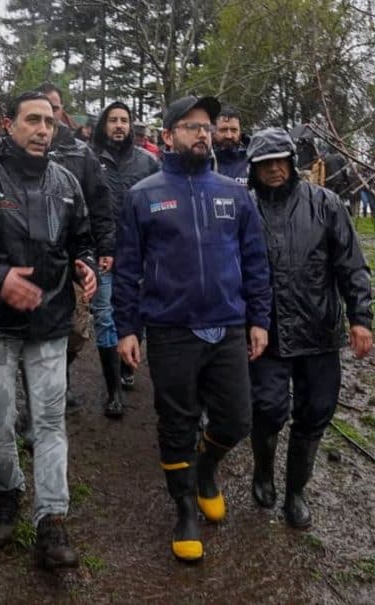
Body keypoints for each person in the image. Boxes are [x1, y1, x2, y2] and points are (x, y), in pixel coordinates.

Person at [0, 91, 98, 569]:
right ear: (8, 124)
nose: (43, 130)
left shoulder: (66, 182)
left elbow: (82, 239)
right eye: (32, 120)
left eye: (48, 121)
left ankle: (52, 520)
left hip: (49, 321)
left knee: (49, 424)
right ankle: (8, 491)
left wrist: (85, 265)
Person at [113, 95, 271, 562]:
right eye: (190, 127)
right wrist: (127, 328)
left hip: (226, 324)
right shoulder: (143, 196)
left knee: (237, 419)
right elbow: (126, 269)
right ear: (168, 137)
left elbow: (255, 262)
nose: (202, 133)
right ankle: (184, 507)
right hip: (170, 328)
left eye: (207, 126)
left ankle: (206, 469)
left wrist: (258, 319)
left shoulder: (234, 194)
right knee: (176, 421)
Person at [244, 127, 373, 528]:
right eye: (265, 164)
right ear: (254, 169)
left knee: (315, 411)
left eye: (280, 161)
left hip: (318, 330)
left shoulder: (326, 204)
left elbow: (350, 263)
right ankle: (263, 469)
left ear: (291, 162)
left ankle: (296, 490)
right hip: (266, 333)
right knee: (267, 409)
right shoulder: (244, 209)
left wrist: (360, 317)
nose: (274, 170)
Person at [39, 83, 115, 411]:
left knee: (77, 330)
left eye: (54, 109)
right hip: (29, 258)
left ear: (62, 113)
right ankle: (40, 398)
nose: (49, 117)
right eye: (42, 109)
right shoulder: (17, 150)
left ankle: (62, 373)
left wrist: (105, 248)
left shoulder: (81, 153)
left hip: (72, 255)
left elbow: (99, 204)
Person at [90, 100, 160, 418]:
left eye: (124, 120)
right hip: (101, 253)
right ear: (104, 124)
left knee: (135, 311)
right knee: (104, 316)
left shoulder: (148, 162)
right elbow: (85, 207)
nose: (119, 125)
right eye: (113, 120)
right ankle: (113, 390)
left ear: (131, 126)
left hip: (139, 254)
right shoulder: (89, 160)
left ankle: (129, 363)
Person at [213, 105, 249, 185]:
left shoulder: (252, 160)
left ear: (240, 132)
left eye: (234, 130)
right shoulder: (203, 161)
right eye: (223, 130)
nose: (229, 136)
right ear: (213, 132)